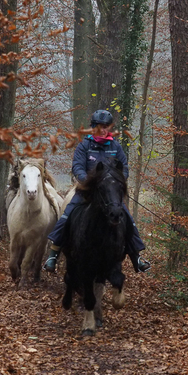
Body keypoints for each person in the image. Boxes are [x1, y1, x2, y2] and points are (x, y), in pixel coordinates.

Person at [43, 109, 151, 274]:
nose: (103, 129)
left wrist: (118, 181)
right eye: (100, 126)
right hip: (87, 190)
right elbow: (77, 166)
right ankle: (53, 254)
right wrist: (87, 181)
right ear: (93, 127)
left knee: (126, 217)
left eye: (106, 126)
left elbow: (124, 167)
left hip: (109, 192)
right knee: (68, 213)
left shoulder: (115, 146)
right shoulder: (84, 146)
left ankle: (136, 256)